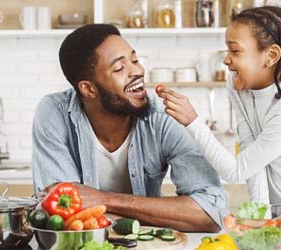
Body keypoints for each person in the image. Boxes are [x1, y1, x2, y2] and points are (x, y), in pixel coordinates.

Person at [32, 24, 228, 232]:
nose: (137, 71)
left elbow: (211, 213)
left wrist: (103, 200)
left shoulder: (164, 116)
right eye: (119, 68)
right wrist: (158, 215)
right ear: (88, 89)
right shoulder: (54, 113)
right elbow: (61, 216)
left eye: (134, 60)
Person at [157, 6, 281, 207]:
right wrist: (261, 216)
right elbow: (250, 151)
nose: (226, 60)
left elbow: (236, 171)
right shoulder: (238, 85)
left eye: (235, 51)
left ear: (271, 55)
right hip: (280, 218)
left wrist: (193, 121)